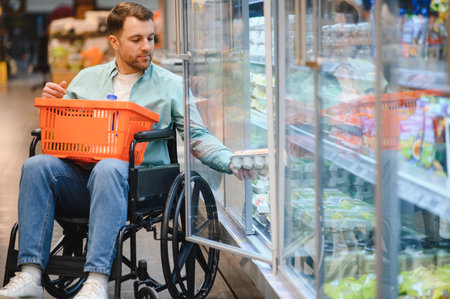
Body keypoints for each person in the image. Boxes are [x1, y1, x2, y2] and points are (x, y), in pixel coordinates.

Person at [0, 2, 254, 299]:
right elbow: (61, 129)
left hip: (140, 187)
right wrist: (54, 102)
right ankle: (30, 274)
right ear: (114, 42)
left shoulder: (170, 85)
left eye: (150, 38)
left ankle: (96, 279)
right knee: (36, 165)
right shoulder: (85, 79)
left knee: (109, 167)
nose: (147, 46)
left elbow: (197, 136)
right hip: (83, 181)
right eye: (137, 40)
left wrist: (230, 160)